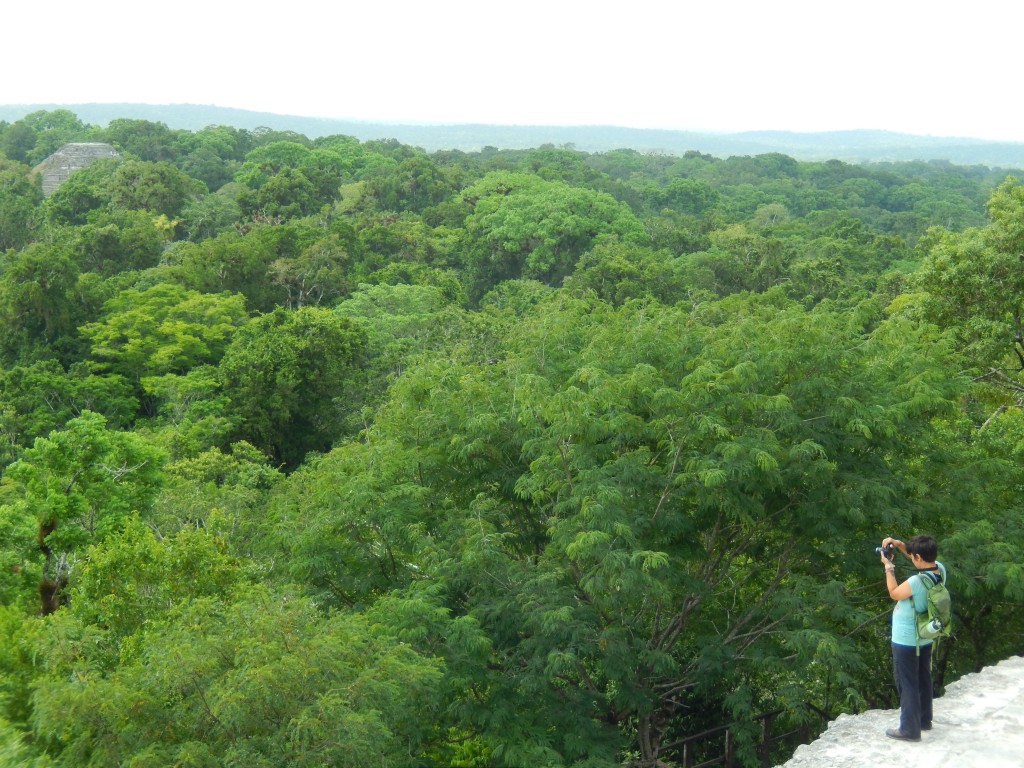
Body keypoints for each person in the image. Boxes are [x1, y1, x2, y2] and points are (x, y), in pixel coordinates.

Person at [879, 534, 946, 741]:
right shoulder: (940, 571)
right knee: (923, 677)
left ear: (917, 556)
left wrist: (888, 566)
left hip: (907, 639)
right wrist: (900, 545)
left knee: (907, 683)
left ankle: (909, 729)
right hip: (926, 635)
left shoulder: (915, 582)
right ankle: (924, 720)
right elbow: (919, 559)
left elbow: (894, 592)